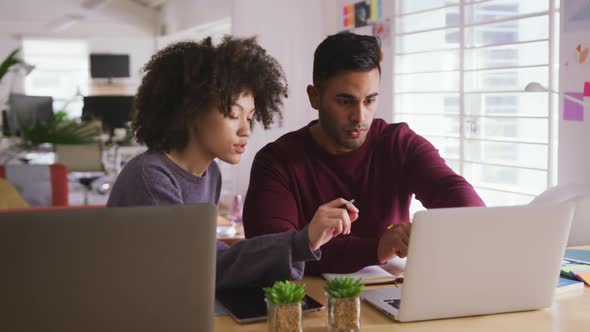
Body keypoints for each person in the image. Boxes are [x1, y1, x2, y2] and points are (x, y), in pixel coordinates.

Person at [106, 36, 359, 289]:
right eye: (232, 115)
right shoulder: (150, 178)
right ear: (191, 110)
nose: (245, 130)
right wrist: (301, 241)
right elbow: (199, 267)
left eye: (249, 118)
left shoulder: (210, 173)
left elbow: (204, 255)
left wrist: (305, 242)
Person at [242, 32, 485, 275]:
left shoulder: (399, 143)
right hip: (309, 307)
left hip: (393, 299)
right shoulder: (275, 162)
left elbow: (460, 199)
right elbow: (272, 254)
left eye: (369, 101)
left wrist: (439, 232)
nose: (360, 116)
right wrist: (376, 249)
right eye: (345, 101)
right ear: (315, 97)